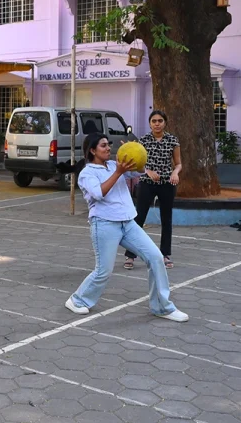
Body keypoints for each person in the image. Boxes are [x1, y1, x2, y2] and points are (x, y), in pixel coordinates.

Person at [64, 133, 188, 323]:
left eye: (109, 144)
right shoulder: (87, 173)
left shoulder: (114, 164)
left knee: (155, 258)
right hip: (104, 224)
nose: (108, 148)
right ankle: (77, 300)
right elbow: (98, 193)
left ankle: (162, 307)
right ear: (92, 150)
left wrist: (134, 152)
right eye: (103, 145)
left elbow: (139, 170)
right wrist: (118, 172)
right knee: (104, 271)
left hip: (128, 223)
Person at [124, 110, 181, 270]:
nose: (157, 124)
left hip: (167, 183)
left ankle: (165, 254)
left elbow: (178, 163)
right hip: (146, 183)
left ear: (165, 123)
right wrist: (148, 171)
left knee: (166, 219)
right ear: (150, 123)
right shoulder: (143, 141)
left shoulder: (172, 140)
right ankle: (130, 255)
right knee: (139, 218)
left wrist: (175, 173)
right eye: (154, 121)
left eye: (160, 121)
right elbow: (137, 164)